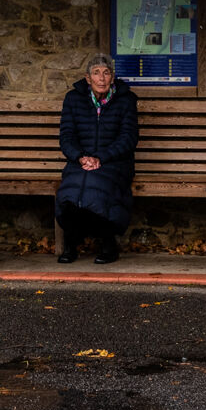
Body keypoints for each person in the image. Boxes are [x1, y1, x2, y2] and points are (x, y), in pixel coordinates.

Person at [55, 54, 138, 264]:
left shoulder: (126, 100)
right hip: (81, 161)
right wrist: (81, 157)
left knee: (98, 187)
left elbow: (128, 138)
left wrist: (101, 157)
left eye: (106, 73)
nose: (101, 78)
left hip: (114, 161)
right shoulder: (73, 99)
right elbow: (66, 136)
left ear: (112, 77)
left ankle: (108, 244)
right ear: (87, 78)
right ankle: (71, 243)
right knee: (72, 188)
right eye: (96, 73)